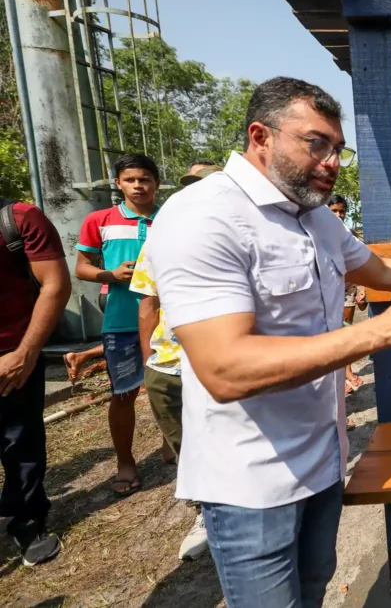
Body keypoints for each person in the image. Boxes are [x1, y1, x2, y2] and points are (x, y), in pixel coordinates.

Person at [146, 76, 391, 608]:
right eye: (315, 143)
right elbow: (224, 369)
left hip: (322, 459)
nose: (332, 161)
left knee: (313, 591)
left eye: (338, 148)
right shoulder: (202, 217)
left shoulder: (315, 215)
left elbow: (380, 270)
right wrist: (383, 330)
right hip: (251, 480)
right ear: (260, 136)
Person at [128, 162, 222, 561]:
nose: (195, 192)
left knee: (224, 442)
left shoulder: (236, 236)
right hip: (170, 365)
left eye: (205, 185)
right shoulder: (162, 238)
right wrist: (150, 359)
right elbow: (148, 302)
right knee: (186, 448)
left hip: (219, 362)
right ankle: (205, 515)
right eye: (190, 186)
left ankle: (232, 515)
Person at [75, 153, 160, 497]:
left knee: (168, 388)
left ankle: (172, 445)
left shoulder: (172, 217)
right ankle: (125, 461)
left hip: (168, 321)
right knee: (123, 393)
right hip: (122, 319)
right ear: (118, 184)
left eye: (145, 179)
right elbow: (81, 267)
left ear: (156, 182)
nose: (138, 186)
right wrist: (110, 274)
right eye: (131, 180)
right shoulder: (100, 220)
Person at [0, 199, 71, 566]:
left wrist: (24, 355)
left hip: (11, 358)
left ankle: (26, 519)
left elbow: (55, 285)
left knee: (20, 442)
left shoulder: (18, 218)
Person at [328, 194, 367, 394]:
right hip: (330, 291)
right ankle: (339, 378)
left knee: (346, 328)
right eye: (333, 210)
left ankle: (348, 371)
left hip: (348, 288)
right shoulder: (319, 234)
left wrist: (361, 287)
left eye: (341, 211)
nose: (338, 214)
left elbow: (361, 264)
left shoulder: (349, 234)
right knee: (333, 333)